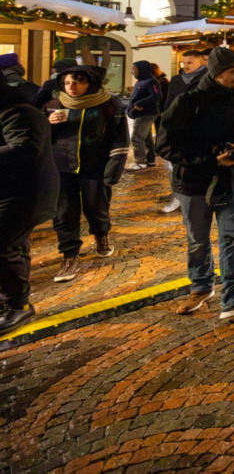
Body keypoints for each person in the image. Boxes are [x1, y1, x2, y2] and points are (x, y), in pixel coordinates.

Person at [155, 47, 234, 321]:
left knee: (232, 235)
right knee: (197, 239)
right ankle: (200, 287)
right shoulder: (188, 101)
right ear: (217, 73)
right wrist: (210, 159)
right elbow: (165, 145)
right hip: (194, 182)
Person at [48, 65, 128, 283]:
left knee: (96, 206)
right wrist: (48, 123)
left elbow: (120, 136)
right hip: (62, 166)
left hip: (96, 166)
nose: (71, 87)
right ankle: (69, 256)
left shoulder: (109, 104)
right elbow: (42, 137)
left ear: (90, 83)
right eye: (67, 83)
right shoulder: (55, 103)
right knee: (64, 212)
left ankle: (101, 235)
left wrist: (115, 166)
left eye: (78, 82)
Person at [0, 73, 56, 333]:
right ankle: (11, 301)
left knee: (4, 246)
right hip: (9, 190)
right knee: (12, 246)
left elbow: (24, 149)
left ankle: (18, 306)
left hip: (25, 193)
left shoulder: (18, 111)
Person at [157, 50, 207, 214]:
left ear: (201, 62)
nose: (185, 66)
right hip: (178, 130)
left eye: (189, 62)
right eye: (183, 63)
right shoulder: (177, 80)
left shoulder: (208, 79)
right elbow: (168, 105)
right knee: (172, 166)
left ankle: (195, 199)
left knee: (196, 167)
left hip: (199, 131)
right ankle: (177, 197)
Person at [124, 60, 163, 170]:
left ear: (142, 70)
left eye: (134, 69)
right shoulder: (141, 82)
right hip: (141, 113)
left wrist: (140, 103)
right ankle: (150, 160)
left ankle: (140, 162)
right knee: (146, 137)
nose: (132, 71)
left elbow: (156, 95)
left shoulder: (151, 82)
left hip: (145, 113)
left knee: (137, 137)